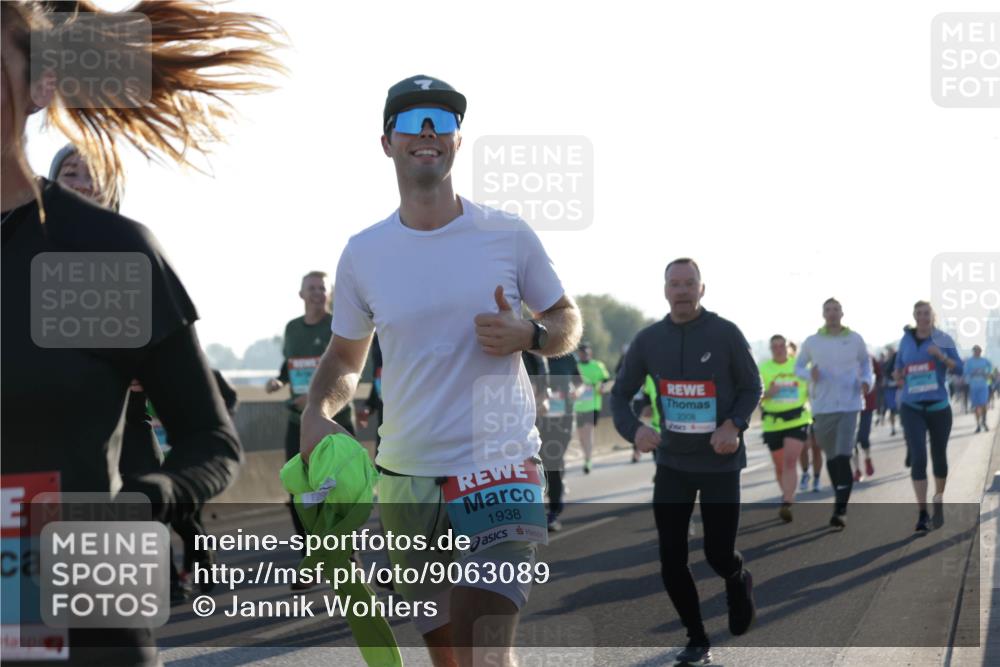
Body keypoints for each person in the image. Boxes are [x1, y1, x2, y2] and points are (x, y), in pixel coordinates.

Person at [2, 2, 281, 663]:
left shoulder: (97, 254)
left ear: (40, 86)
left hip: (93, 610)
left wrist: (144, 500)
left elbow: (210, 439)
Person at [298, 75, 582, 667]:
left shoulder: (507, 234)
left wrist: (530, 334)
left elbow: (566, 320)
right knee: (447, 653)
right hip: (405, 478)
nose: (427, 132)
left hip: (499, 467)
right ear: (386, 142)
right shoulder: (363, 253)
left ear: (457, 141)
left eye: (442, 122)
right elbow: (346, 359)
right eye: (411, 121)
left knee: (485, 648)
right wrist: (318, 410)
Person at [611, 258, 760, 666]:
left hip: (720, 463)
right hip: (673, 464)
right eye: (674, 284)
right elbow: (618, 395)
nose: (681, 290)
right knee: (671, 557)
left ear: (701, 289)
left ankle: (736, 578)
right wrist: (634, 431)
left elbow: (752, 386)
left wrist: (734, 424)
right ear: (665, 290)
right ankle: (697, 637)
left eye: (688, 283)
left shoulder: (725, 333)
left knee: (717, 553)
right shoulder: (648, 340)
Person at [266, 271, 355, 590]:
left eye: (322, 288)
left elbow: (349, 371)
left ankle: (347, 558)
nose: (317, 293)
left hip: (335, 422)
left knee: (340, 494)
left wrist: (319, 396)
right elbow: (290, 364)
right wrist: (280, 381)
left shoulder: (339, 326)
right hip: (299, 422)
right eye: (311, 289)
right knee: (300, 494)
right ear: (301, 294)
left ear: (329, 294)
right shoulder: (292, 328)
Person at [795, 298, 874, 530]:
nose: (832, 313)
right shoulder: (812, 341)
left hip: (850, 404)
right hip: (822, 406)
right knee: (831, 456)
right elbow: (798, 367)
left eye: (835, 309)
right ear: (823, 314)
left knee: (842, 454)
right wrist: (811, 375)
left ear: (842, 312)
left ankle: (840, 509)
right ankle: (840, 498)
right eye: (828, 310)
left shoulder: (855, 339)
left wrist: (866, 382)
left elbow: (866, 366)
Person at [893, 301, 963, 532]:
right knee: (919, 457)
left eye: (927, 313)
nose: (923, 317)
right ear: (914, 316)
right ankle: (922, 513)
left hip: (939, 407)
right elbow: (898, 366)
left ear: (933, 316)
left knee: (939, 455)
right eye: (919, 313)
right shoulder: (905, 340)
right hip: (912, 407)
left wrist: (941, 357)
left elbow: (959, 368)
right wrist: (898, 375)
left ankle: (939, 498)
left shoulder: (943, 339)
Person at [758, 335, 810, 522]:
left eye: (782, 346)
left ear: (788, 347)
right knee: (780, 466)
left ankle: (787, 501)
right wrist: (767, 394)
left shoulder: (799, 367)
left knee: (790, 461)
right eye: (775, 347)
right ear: (771, 349)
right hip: (773, 423)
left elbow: (813, 388)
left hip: (797, 419)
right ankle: (787, 494)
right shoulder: (764, 368)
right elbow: (753, 394)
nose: (779, 349)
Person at [540, 353, 578, 531]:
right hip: (537, 418)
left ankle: (553, 510)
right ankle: (547, 509)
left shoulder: (567, 356)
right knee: (542, 464)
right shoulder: (529, 354)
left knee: (554, 461)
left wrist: (575, 391)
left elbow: (578, 381)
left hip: (564, 418)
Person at [573, 343, 611, 474]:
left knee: (588, 432)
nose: (584, 355)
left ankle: (587, 461)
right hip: (577, 406)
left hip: (593, 404)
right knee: (581, 436)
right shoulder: (575, 366)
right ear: (579, 354)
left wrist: (601, 385)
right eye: (582, 353)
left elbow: (606, 378)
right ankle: (586, 456)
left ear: (590, 353)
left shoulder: (597, 366)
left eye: (586, 353)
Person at [853, 354, 879, 481]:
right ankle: (856, 470)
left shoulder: (868, 358)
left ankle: (867, 459)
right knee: (851, 442)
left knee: (863, 437)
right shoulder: (840, 359)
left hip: (866, 406)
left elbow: (876, 376)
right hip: (849, 406)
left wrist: (867, 386)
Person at [964, 345, 993, 433]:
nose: (977, 352)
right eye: (976, 350)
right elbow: (965, 373)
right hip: (974, 387)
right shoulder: (969, 362)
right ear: (973, 351)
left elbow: (991, 368)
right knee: (976, 406)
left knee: (984, 404)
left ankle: (984, 421)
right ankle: (978, 425)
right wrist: (970, 376)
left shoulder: (985, 360)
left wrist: (988, 373)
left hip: (983, 386)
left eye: (979, 350)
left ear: (981, 351)